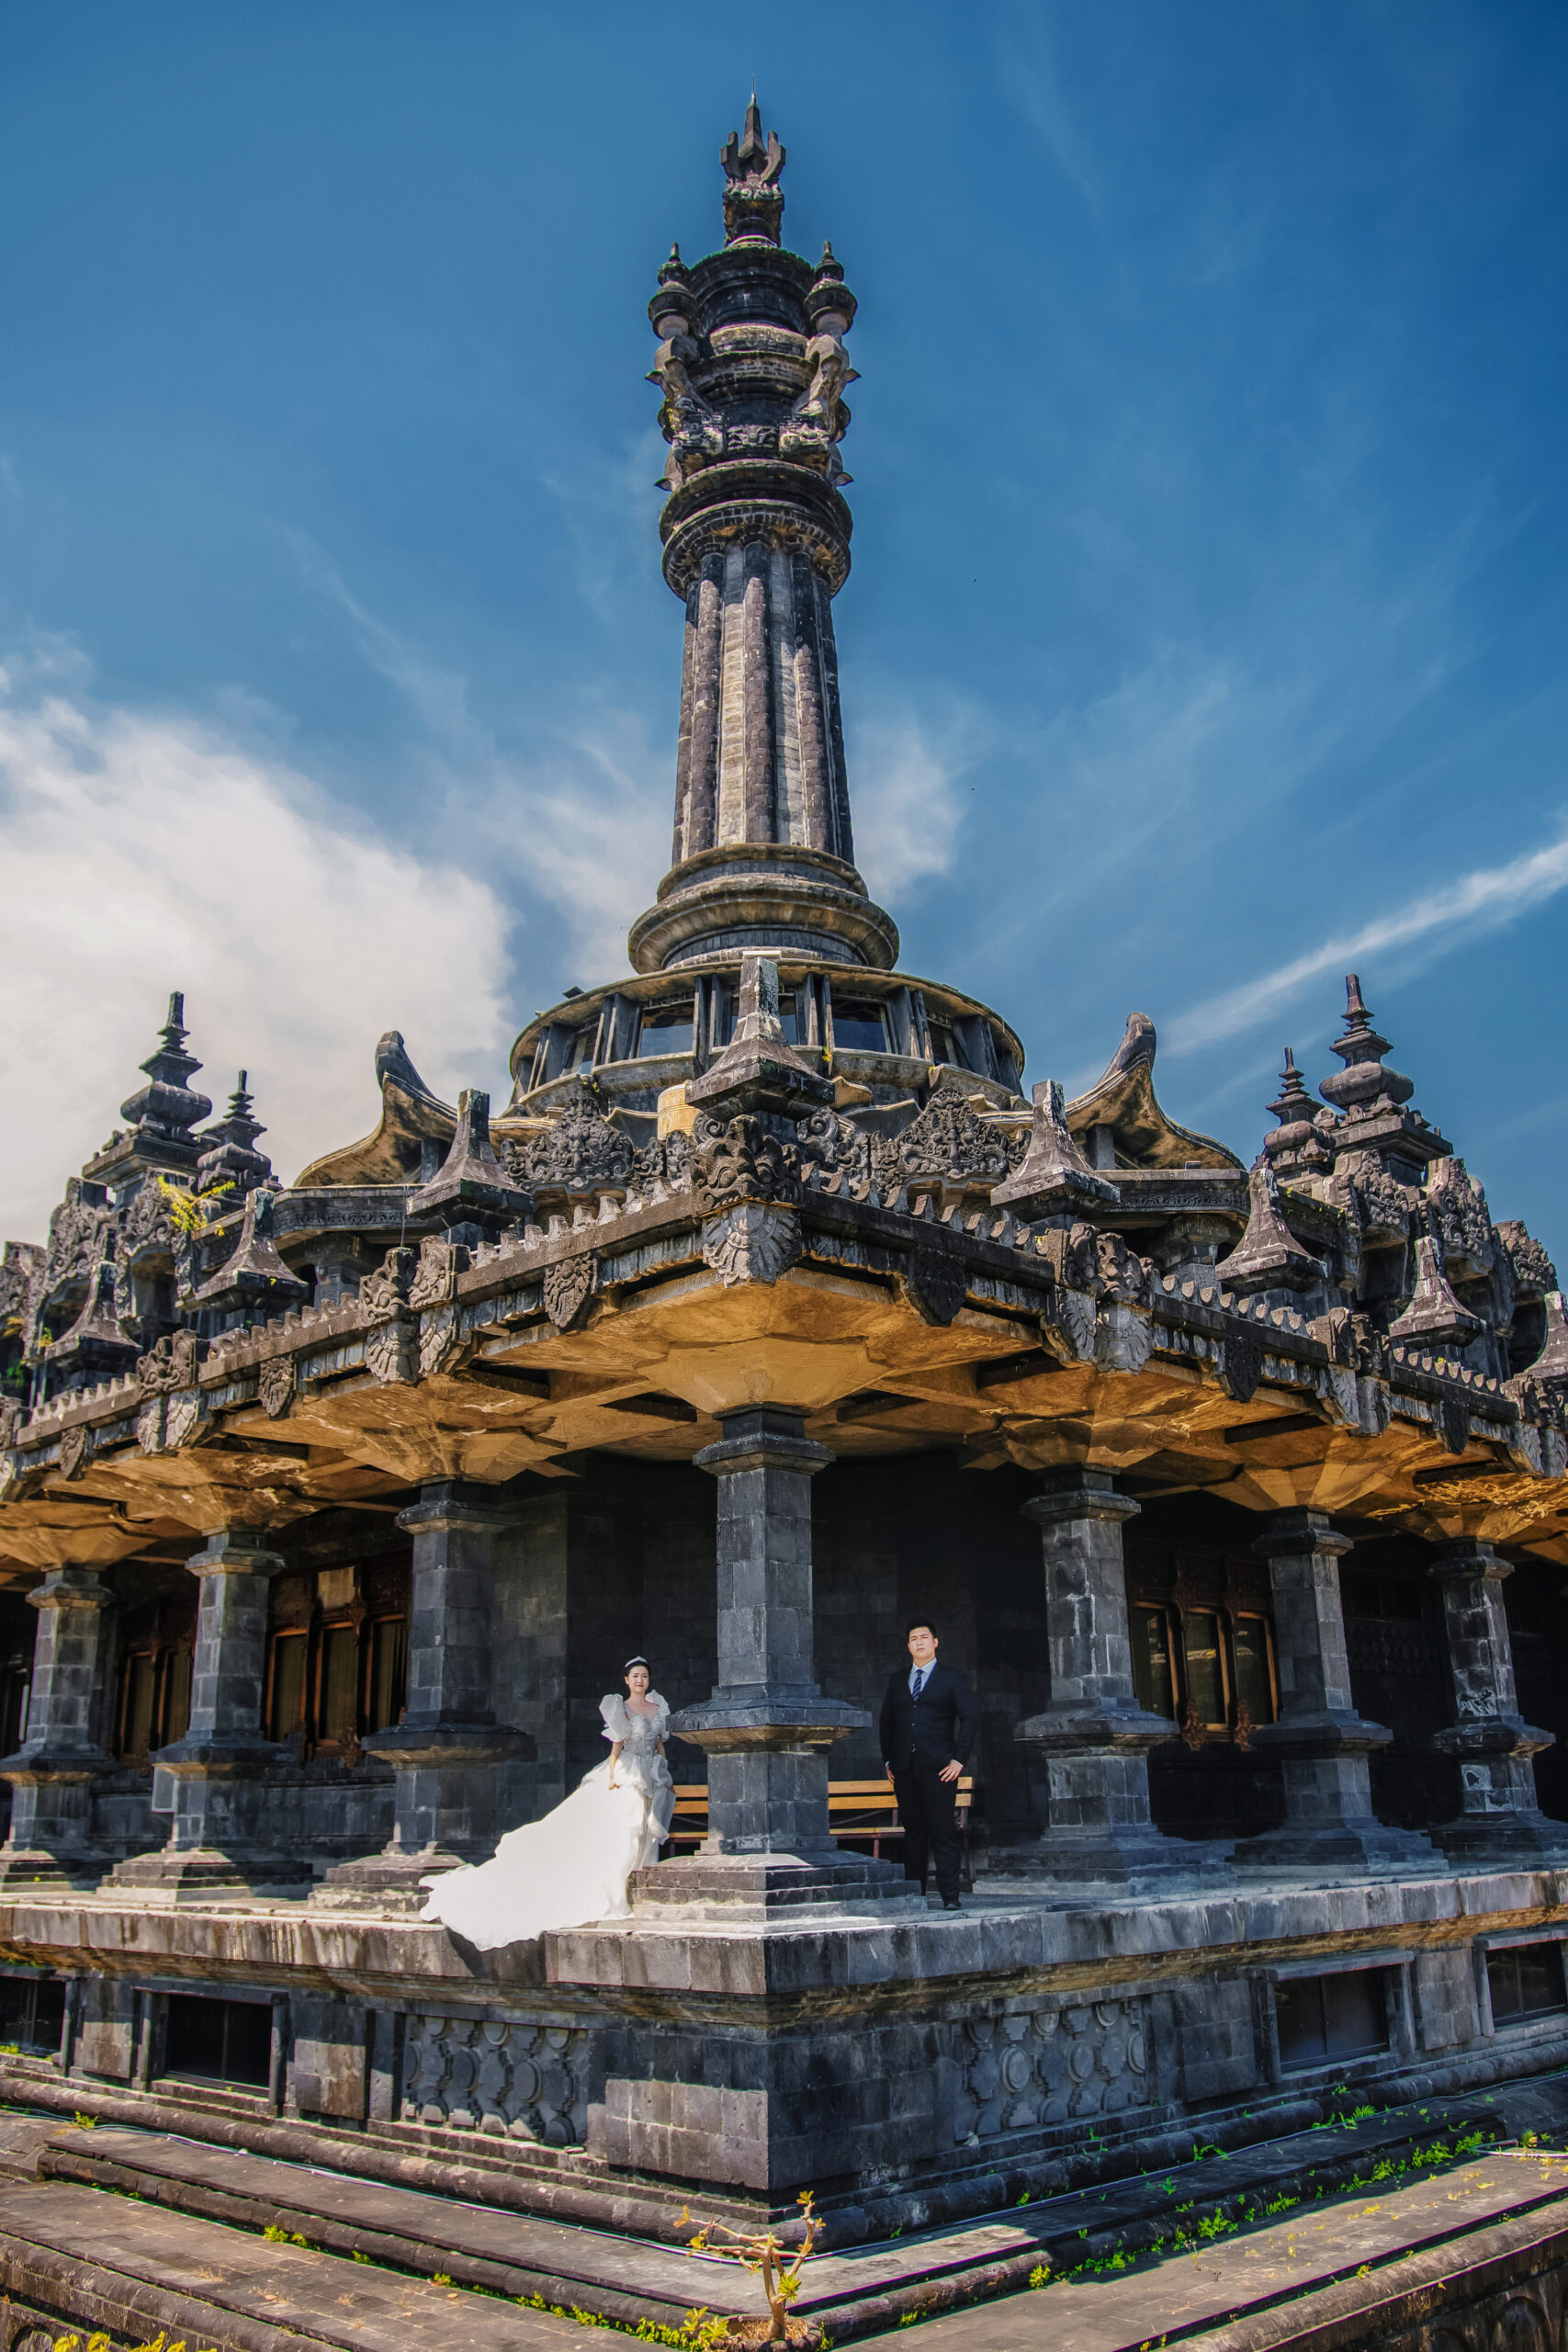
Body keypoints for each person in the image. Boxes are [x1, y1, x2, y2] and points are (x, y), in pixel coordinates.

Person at [419, 1657, 675, 1951]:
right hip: (627, 1772)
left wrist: (664, 1770)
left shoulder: (658, 1708)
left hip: (653, 1772)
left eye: (644, 1676)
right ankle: (614, 1889)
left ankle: (637, 1882)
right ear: (626, 1681)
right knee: (623, 1830)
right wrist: (614, 1775)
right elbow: (616, 1746)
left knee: (645, 1829)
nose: (640, 1680)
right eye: (635, 1676)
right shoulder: (622, 1709)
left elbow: (659, 1743)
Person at [879, 1619, 977, 1911]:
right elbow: (887, 1722)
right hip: (905, 1768)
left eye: (924, 1637)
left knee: (943, 1831)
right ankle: (915, 1894)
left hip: (939, 1768)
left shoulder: (951, 1678)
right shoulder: (897, 1680)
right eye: (913, 1638)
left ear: (935, 1642)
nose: (919, 1642)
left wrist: (959, 1759)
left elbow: (970, 1718)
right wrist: (888, 1759)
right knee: (914, 1832)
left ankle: (950, 1896)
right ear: (908, 1646)